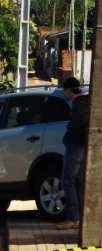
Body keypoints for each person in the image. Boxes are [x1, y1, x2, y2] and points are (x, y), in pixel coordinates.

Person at [57, 77, 89, 230]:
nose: (65, 93)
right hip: (80, 147)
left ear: (69, 90)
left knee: (67, 181)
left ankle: (73, 218)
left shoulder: (79, 106)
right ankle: (78, 218)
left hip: (76, 147)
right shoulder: (83, 103)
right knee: (77, 182)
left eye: (65, 90)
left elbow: (84, 128)